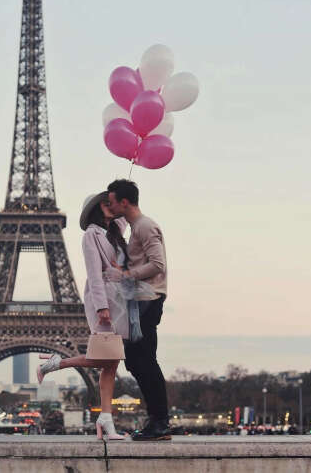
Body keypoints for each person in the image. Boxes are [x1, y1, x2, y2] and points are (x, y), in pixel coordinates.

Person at [36, 191, 128, 440]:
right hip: (105, 301)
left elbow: (127, 212)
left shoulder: (116, 231)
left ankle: (106, 419)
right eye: (107, 203)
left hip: (122, 299)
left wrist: (125, 188)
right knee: (106, 357)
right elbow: (94, 273)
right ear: (98, 209)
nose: (112, 206)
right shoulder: (91, 236)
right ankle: (58, 363)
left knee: (111, 361)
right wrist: (101, 307)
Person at [105, 179, 171, 441]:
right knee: (137, 361)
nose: (109, 206)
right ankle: (158, 421)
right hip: (141, 300)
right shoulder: (136, 228)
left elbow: (158, 263)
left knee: (143, 361)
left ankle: (160, 421)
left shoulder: (145, 226)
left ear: (124, 202)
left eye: (112, 202)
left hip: (149, 300)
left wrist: (127, 274)